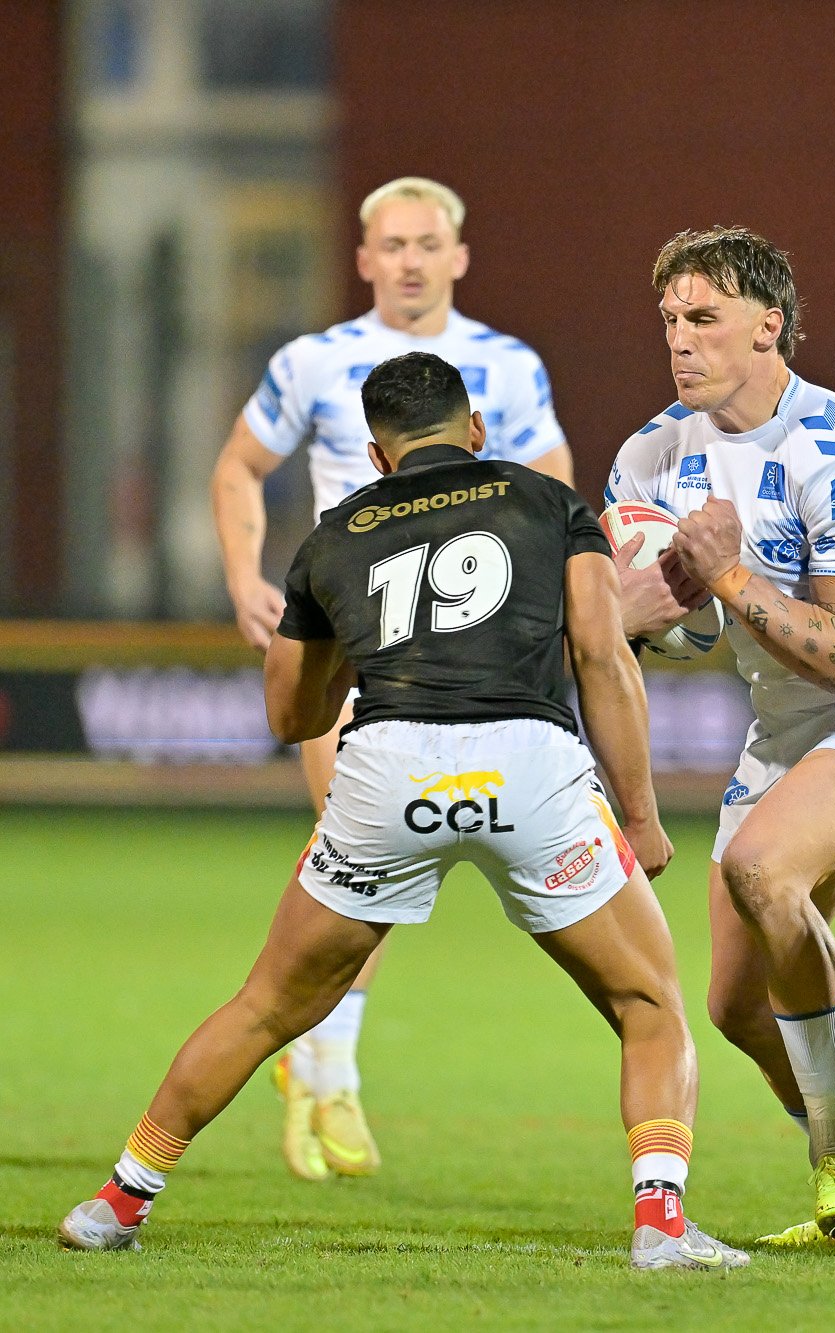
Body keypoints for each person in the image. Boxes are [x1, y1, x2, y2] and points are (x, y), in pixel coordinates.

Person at [63, 353, 743, 1273]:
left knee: (266, 1006)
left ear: (379, 456)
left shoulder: (336, 536)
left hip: (390, 771)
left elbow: (290, 716)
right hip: (528, 765)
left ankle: (117, 1199)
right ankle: (660, 1223)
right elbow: (601, 656)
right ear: (477, 431)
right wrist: (643, 814)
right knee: (649, 1000)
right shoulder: (548, 502)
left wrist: (363, 646)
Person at [210, 177, 573, 1182]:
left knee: (372, 857)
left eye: (427, 243)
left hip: (468, 651)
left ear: (459, 256)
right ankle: (329, 1069)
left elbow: (555, 494)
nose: (410, 260)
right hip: (355, 639)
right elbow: (239, 466)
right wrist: (244, 576)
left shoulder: (507, 366)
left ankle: (318, 1063)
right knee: (358, 851)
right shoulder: (314, 361)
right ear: (364, 258)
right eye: (392, 244)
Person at [606, 226, 835, 1247]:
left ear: (769, 326)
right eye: (669, 319)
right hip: (782, 738)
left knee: (762, 868)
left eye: (704, 318)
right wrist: (635, 616)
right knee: (737, 1007)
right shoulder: (650, 456)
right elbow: (641, 632)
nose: (680, 339)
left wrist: (726, 576)